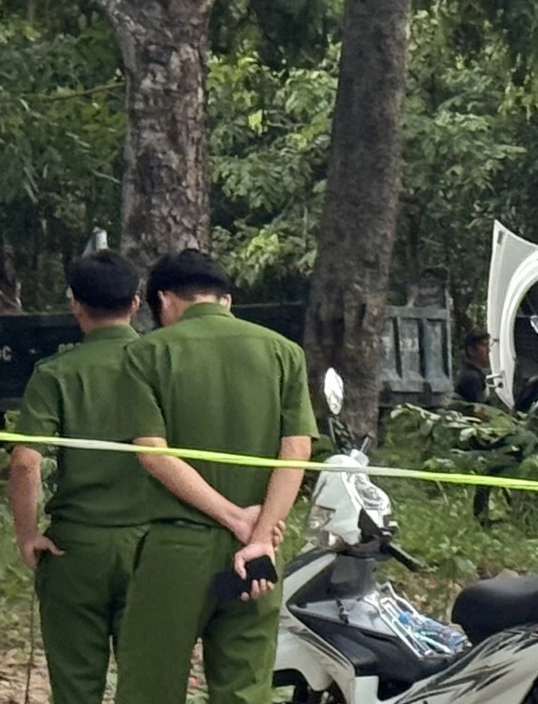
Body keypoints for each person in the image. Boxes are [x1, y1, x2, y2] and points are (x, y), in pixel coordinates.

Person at [112, 249, 318, 704]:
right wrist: (259, 534)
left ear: (164, 300)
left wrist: (232, 516)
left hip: (177, 552)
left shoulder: (146, 354)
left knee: (151, 686)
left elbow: (153, 454)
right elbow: (297, 449)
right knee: (244, 687)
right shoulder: (284, 353)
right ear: (225, 299)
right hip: (257, 556)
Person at [5, 251, 147, 704]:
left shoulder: (56, 373)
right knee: (148, 682)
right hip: (153, 545)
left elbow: (25, 462)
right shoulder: (164, 364)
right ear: (136, 303)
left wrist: (27, 535)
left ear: (74, 304)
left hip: (76, 547)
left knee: (75, 686)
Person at [455, 330, 492, 403]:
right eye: (484, 345)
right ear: (471, 350)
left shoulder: (474, 374)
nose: (488, 350)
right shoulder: (471, 378)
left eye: (488, 345)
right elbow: (478, 407)